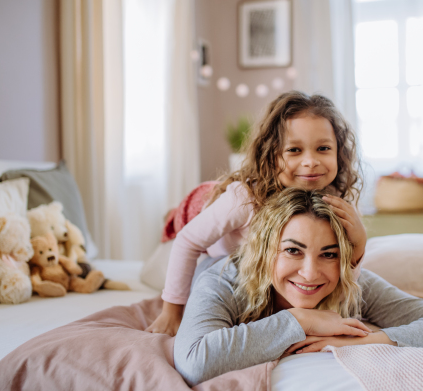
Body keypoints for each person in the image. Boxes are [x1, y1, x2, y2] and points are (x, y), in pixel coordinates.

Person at [174, 188, 423, 386]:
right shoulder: (222, 280)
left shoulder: (349, 283)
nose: (310, 274)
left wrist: (369, 341)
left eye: (329, 254)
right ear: (265, 251)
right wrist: (300, 320)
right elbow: (194, 362)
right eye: (293, 250)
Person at [146, 91, 367, 336]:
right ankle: (171, 215)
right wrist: (171, 312)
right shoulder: (245, 198)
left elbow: (341, 275)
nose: (311, 161)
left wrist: (358, 244)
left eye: (323, 148)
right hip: (205, 226)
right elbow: (188, 241)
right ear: (271, 155)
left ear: (339, 153)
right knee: (168, 259)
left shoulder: (335, 201)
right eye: (294, 150)